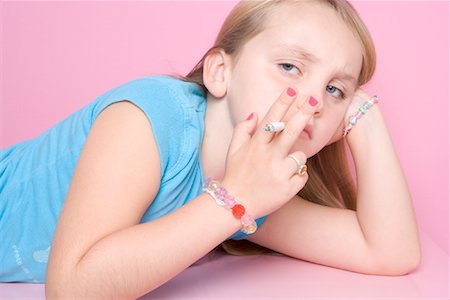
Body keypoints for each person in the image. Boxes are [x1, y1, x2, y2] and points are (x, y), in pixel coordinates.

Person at [0, 0, 421, 298]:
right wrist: (235, 200)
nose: (310, 99)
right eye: (290, 67)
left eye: (334, 89)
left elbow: (389, 251)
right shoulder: (149, 116)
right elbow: (71, 290)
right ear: (220, 71)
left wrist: (365, 114)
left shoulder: (261, 187)